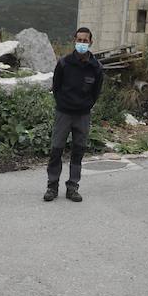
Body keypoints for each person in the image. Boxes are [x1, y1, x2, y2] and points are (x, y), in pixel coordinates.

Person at [46, 26, 105, 203]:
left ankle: (73, 187)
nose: (81, 43)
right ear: (74, 41)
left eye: (85, 41)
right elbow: (56, 87)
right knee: (56, 149)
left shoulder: (96, 67)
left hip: (83, 116)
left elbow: (96, 93)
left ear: (90, 42)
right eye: (79, 40)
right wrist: (63, 103)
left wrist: (85, 106)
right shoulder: (64, 63)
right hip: (63, 114)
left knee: (78, 151)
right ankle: (52, 186)